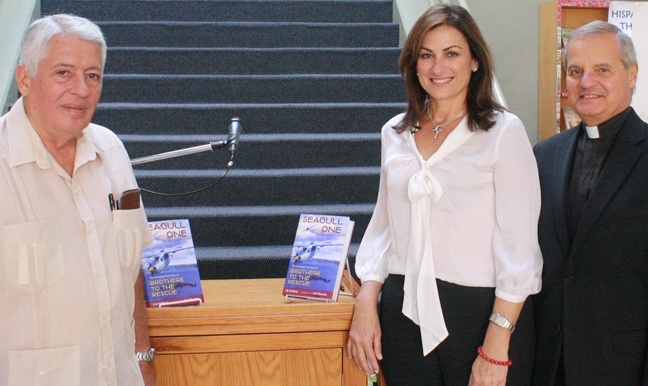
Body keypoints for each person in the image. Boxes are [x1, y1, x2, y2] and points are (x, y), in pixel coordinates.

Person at [346, 4, 542, 385]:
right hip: (403, 312)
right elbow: (385, 229)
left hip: (481, 313)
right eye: (426, 55)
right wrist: (366, 304)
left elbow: (519, 248)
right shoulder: (394, 133)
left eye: (452, 54)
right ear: (413, 64)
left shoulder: (504, 132)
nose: (438, 68)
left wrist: (496, 344)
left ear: (474, 62)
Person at [0, 14, 156, 385]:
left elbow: (128, 265)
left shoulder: (111, 149)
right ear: (24, 79)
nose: (82, 90)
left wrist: (144, 357)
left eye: (92, 76)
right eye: (63, 73)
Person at [533, 21, 647, 385]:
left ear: (632, 74)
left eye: (602, 70)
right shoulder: (543, 156)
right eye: (575, 71)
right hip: (548, 362)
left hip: (623, 367)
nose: (586, 83)